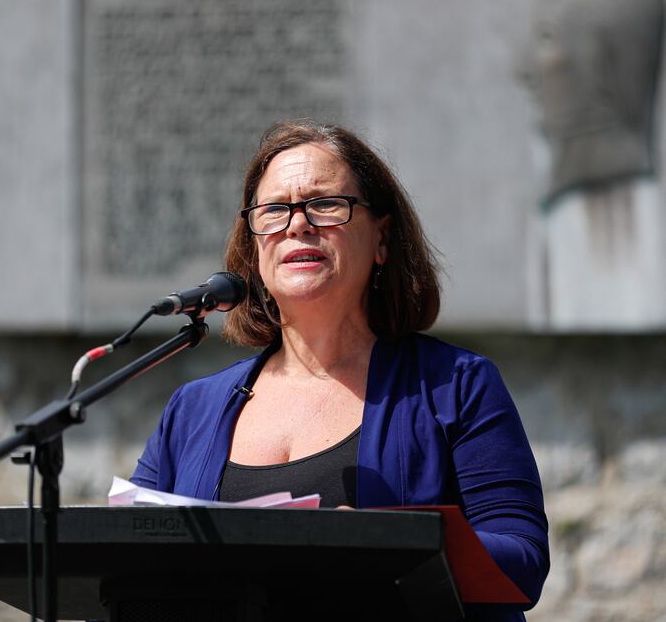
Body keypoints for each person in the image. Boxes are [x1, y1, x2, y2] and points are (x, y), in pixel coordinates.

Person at [130, 121, 549, 620]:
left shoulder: (455, 386)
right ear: (254, 247)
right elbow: (125, 567)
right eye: (274, 209)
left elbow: (521, 561)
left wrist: (384, 541)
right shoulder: (192, 409)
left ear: (382, 239)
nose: (297, 224)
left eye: (325, 203)